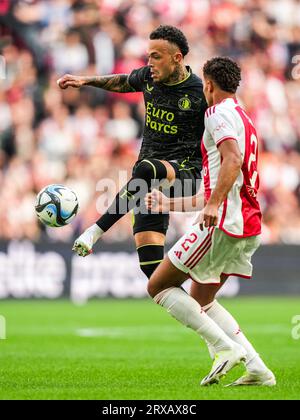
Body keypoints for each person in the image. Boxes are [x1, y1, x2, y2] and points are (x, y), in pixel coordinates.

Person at [145, 57, 276, 386]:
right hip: (247, 222)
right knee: (202, 299)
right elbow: (221, 180)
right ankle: (258, 369)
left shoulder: (216, 114)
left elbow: (230, 162)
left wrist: (214, 206)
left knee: (158, 285)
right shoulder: (244, 118)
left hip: (223, 223)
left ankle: (223, 348)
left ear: (208, 85)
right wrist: (170, 203)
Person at [57, 25, 206, 280]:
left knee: (146, 168)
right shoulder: (149, 77)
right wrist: (85, 80)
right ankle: (208, 315)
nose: (150, 63)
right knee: (152, 271)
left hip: (183, 176)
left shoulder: (198, 92)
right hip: (147, 184)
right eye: (148, 56)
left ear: (177, 58)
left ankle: (95, 231)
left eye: (156, 57)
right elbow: (122, 82)